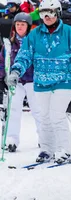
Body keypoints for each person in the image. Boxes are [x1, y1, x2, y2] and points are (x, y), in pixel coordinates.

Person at [6, 0, 71, 163]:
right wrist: (16, 71)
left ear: (58, 13)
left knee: (56, 115)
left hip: (65, 80)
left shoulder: (69, 32)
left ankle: (65, 151)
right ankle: (47, 150)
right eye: (44, 13)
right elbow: (24, 55)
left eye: (51, 12)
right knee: (44, 116)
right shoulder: (35, 34)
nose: (47, 16)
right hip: (41, 81)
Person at [0, 13, 41, 152]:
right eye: (18, 24)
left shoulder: (34, 42)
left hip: (32, 80)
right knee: (14, 110)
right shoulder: (9, 43)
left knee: (38, 110)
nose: (20, 27)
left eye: (23, 25)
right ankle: (12, 139)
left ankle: (44, 137)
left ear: (28, 27)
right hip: (15, 81)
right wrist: (2, 77)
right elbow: (2, 61)